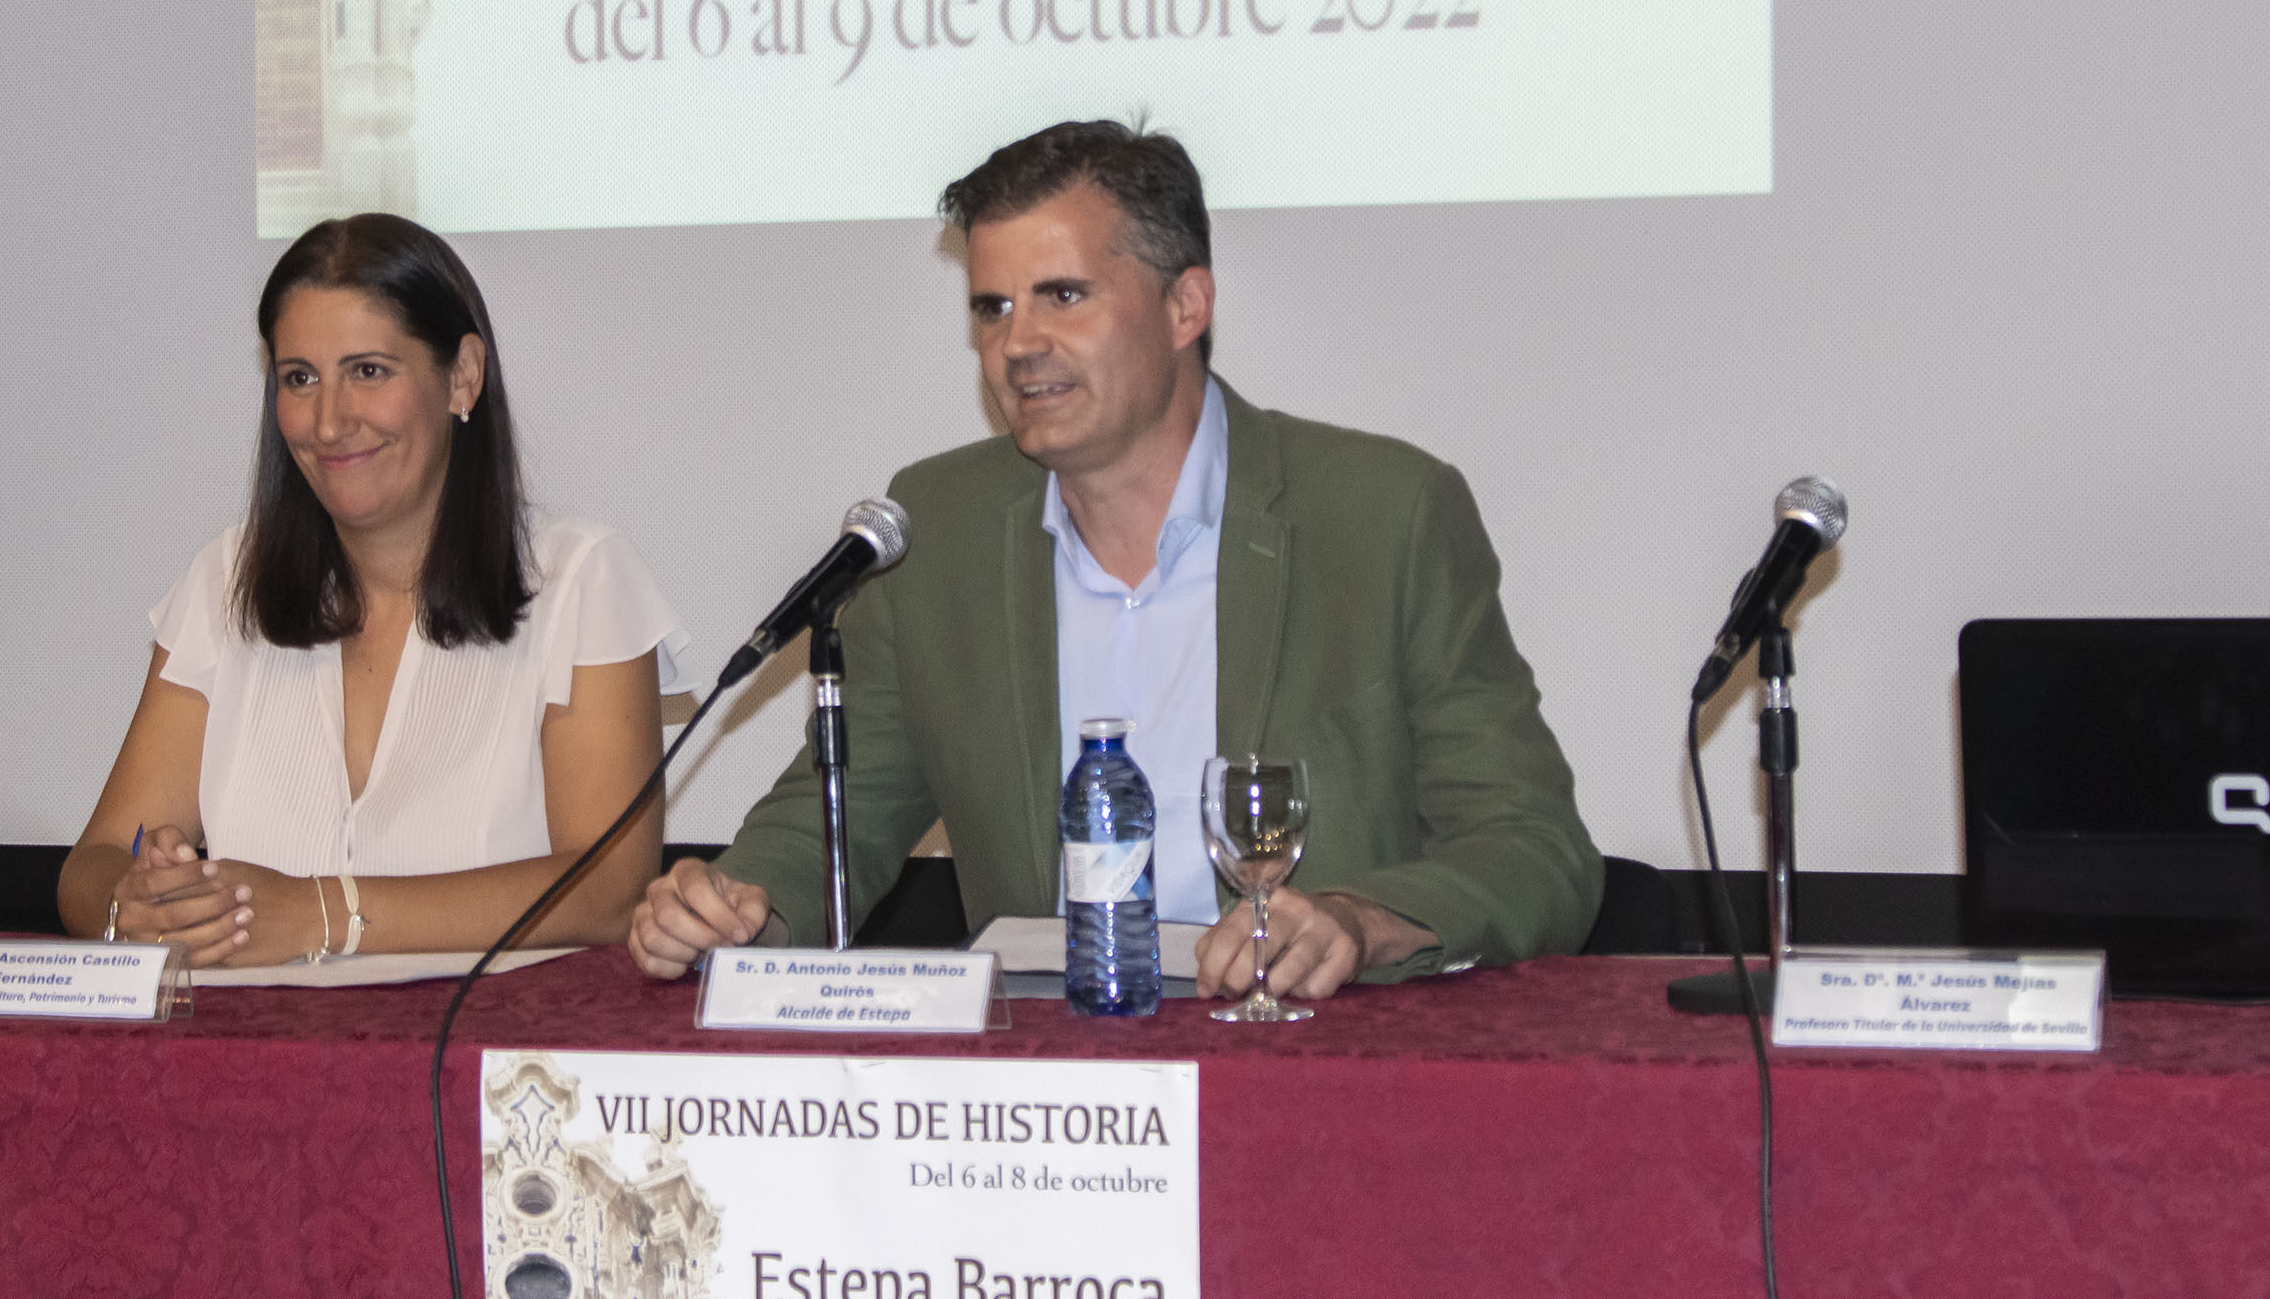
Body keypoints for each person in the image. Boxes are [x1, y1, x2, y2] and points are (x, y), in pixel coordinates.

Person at [629, 121, 1599, 997]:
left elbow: (1533, 845)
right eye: (992, 307)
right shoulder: (942, 527)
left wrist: (1357, 920)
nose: (1017, 343)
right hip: (1050, 1079)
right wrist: (738, 906)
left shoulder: (1382, 515)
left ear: (1185, 305)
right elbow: (837, 815)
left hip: (1310, 1060)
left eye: (1062, 295)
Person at [60, 214, 682, 966]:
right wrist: (137, 903)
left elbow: (610, 889)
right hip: (245, 1038)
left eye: (368, 372)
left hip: (487, 1037)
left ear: (463, 376)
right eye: (300, 379)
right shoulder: (225, 580)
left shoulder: (581, 579)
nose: (328, 422)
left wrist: (325, 912)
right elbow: (92, 864)